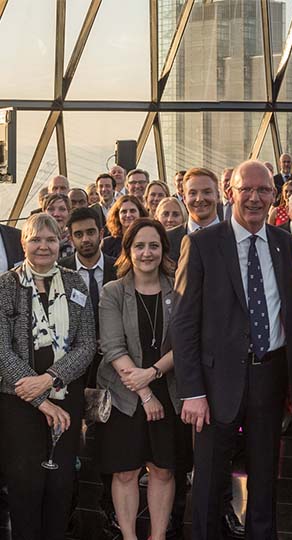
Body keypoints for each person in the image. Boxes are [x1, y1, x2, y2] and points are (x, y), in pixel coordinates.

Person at [172, 160, 292, 539]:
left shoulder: (286, 244)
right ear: (231, 193)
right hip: (214, 384)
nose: (255, 198)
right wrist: (192, 391)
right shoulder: (201, 244)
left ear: (275, 198)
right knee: (210, 480)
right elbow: (182, 323)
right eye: (247, 189)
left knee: (265, 479)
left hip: (270, 375)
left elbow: (289, 315)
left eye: (264, 191)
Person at [0, 213, 96, 540]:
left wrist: (50, 379)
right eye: (36, 239)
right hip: (18, 402)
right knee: (25, 484)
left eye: (50, 239)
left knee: (60, 484)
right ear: (23, 242)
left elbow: (86, 345)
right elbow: (1, 352)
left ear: (61, 242)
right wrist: (41, 400)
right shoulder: (5, 285)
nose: (43, 246)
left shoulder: (75, 282)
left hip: (66, 398)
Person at [97, 218, 180, 540]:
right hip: (125, 392)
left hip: (168, 388)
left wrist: (154, 372)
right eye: (140, 246)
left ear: (163, 250)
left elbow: (186, 343)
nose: (147, 253)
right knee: (126, 470)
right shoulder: (113, 292)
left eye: (154, 245)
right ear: (128, 251)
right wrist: (145, 392)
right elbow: (113, 347)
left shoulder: (179, 289)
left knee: (162, 469)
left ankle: (157, 537)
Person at [58, 206, 120, 529]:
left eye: (90, 233)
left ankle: (110, 506)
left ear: (101, 232)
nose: (85, 240)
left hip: (112, 367)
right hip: (72, 369)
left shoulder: (119, 268)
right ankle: (68, 505)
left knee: (111, 439)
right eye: (78, 234)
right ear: (70, 237)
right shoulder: (59, 271)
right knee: (68, 438)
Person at [167, 168, 222, 263]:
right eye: (193, 193)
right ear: (184, 198)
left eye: (207, 192)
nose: (199, 199)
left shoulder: (234, 237)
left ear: (217, 196)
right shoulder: (167, 239)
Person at [42, 193, 73, 259]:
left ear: (69, 213)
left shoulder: (75, 242)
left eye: (62, 209)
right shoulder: (35, 242)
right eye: (51, 209)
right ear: (43, 212)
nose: (56, 214)